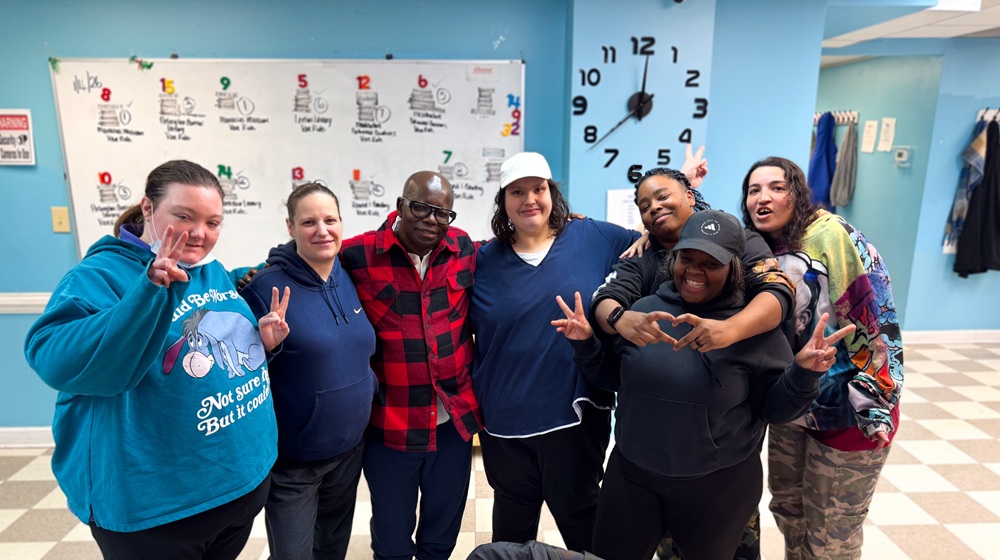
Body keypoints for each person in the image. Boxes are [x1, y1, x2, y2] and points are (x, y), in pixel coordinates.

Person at [24, 160, 289, 559]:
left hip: (237, 488)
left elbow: (221, 359)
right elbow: (53, 359)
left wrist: (264, 345)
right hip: (159, 510)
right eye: (185, 216)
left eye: (213, 222)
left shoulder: (210, 271)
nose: (200, 233)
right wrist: (147, 290)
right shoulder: (100, 276)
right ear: (148, 209)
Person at [554, 210, 854, 560]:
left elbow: (775, 410)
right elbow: (611, 380)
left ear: (733, 268)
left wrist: (804, 373)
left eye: (711, 263)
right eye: (687, 258)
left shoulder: (751, 329)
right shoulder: (644, 312)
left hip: (717, 485)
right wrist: (586, 344)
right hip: (632, 476)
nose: (695, 271)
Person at [590, 161, 795, 560]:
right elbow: (606, 299)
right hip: (651, 450)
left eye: (663, 196)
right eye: (644, 204)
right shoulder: (642, 255)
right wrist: (619, 317)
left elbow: (778, 292)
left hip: (721, 450)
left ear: (691, 197)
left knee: (731, 543)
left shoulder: (741, 241)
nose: (654, 208)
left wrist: (729, 332)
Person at [469, 152, 640, 551]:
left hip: (573, 419)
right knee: (511, 534)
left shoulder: (593, 236)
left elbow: (657, 246)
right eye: (517, 192)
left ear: (552, 193)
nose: (529, 199)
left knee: (583, 524)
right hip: (503, 423)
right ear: (503, 200)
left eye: (538, 189)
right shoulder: (481, 260)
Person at [740, 156, 904, 559]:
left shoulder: (831, 235)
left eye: (777, 188)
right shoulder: (758, 247)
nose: (763, 198)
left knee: (830, 536)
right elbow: (698, 233)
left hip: (850, 411)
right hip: (791, 404)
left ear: (797, 193)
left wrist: (877, 401)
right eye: (753, 190)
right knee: (789, 511)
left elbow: (875, 317)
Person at [339, 171, 483, 560]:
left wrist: (562, 226)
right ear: (401, 206)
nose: (431, 219)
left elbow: (516, 246)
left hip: (452, 423)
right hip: (391, 424)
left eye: (442, 212)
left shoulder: (463, 248)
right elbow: (307, 258)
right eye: (420, 207)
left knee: (441, 534)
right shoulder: (357, 254)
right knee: (391, 537)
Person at [239, 182, 377, 559]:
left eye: (330, 219)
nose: (322, 230)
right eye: (309, 222)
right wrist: (267, 346)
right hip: (295, 463)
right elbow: (241, 371)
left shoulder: (347, 276)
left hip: (349, 452)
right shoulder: (264, 287)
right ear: (290, 226)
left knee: (331, 549)